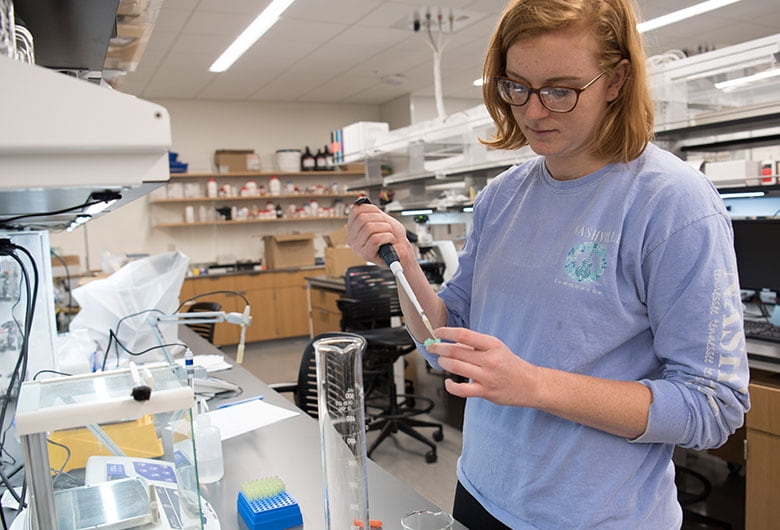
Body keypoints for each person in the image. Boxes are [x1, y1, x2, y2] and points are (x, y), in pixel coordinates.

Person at [346, 0, 750, 528]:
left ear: (616, 79)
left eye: (560, 90)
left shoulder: (673, 203)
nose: (532, 112)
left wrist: (535, 384)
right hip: (480, 494)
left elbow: (713, 407)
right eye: (516, 87)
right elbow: (444, 348)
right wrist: (403, 263)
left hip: (594, 518)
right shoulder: (501, 198)